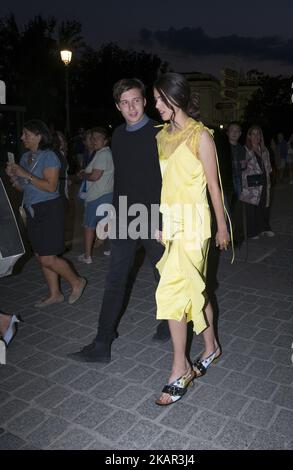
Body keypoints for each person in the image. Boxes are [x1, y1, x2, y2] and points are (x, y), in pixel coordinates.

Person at [69, 78, 170, 363]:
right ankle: (102, 342)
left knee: (163, 275)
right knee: (115, 279)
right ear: (118, 107)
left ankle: (169, 322)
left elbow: (171, 181)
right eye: (124, 103)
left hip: (154, 218)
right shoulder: (119, 137)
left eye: (136, 100)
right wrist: (113, 215)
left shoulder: (161, 132)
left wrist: (164, 220)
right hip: (125, 216)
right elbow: (121, 181)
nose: (131, 107)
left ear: (144, 101)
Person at [153, 72, 230, 406]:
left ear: (176, 98)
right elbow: (165, 184)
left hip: (196, 224)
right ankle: (211, 346)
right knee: (194, 288)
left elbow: (214, 186)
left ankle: (179, 368)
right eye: (155, 100)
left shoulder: (202, 136)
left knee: (172, 289)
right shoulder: (160, 137)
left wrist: (223, 226)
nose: (154, 106)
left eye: (159, 99)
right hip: (171, 224)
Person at [5, 119, 87, 307]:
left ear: (38, 135)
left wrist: (25, 174)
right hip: (33, 210)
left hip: (50, 208)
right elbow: (26, 189)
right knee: (40, 254)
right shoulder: (26, 157)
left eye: (26, 134)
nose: (21, 137)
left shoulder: (50, 156)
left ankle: (76, 281)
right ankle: (55, 293)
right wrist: (15, 178)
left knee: (48, 257)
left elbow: (51, 187)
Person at [77, 127, 114, 264]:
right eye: (93, 138)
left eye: (98, 138)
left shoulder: (103, 154)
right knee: (106, 223)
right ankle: (110, 249)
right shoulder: (105, 153)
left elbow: (94, 176)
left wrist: (83, 175)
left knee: (89, 226)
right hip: (106, 194)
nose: (94, 140)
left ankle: (87, 256)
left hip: (97, 196)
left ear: (105, 140)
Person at [240, 125, 274, 239]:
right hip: (251, 184)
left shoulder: (264, 150)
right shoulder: (245, 150)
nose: (256, 136)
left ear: (261, 136)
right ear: (249, 136)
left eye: (258, 134)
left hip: (264, 182)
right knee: (251, 208)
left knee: (264, 205)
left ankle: (264, 228)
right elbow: (241, 167)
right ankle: (252, 232)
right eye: (253, 134)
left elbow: (268, 168)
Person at [227, 122, 246, 245]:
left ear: (240, 134)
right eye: (232, 130)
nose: (234, 133)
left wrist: (243, 165)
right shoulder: (222, 147)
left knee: (236, 209)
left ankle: (237, 236)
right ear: (227, 132)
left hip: (237, 181)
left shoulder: (241, 148)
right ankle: (225, 236)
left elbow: (243, 166)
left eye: (237, 131)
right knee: (226, 209)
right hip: (225, 181)